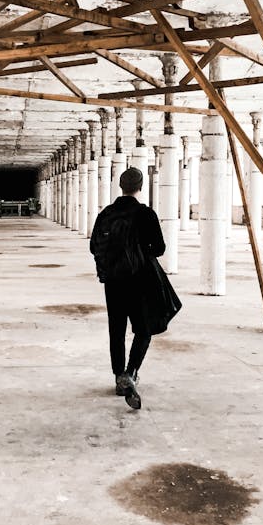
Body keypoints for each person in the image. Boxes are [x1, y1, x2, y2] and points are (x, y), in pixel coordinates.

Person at [89, 166, 180, 410]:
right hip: (140, 281)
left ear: (120, 186)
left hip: (113, 282)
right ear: (140, 186)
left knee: (116, 331)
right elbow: (160, 248)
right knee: (143, 329)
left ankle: (119, 376)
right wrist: (141, 252)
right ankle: (131, 372)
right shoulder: (145, 214)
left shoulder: (106, 214)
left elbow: (93, 247)